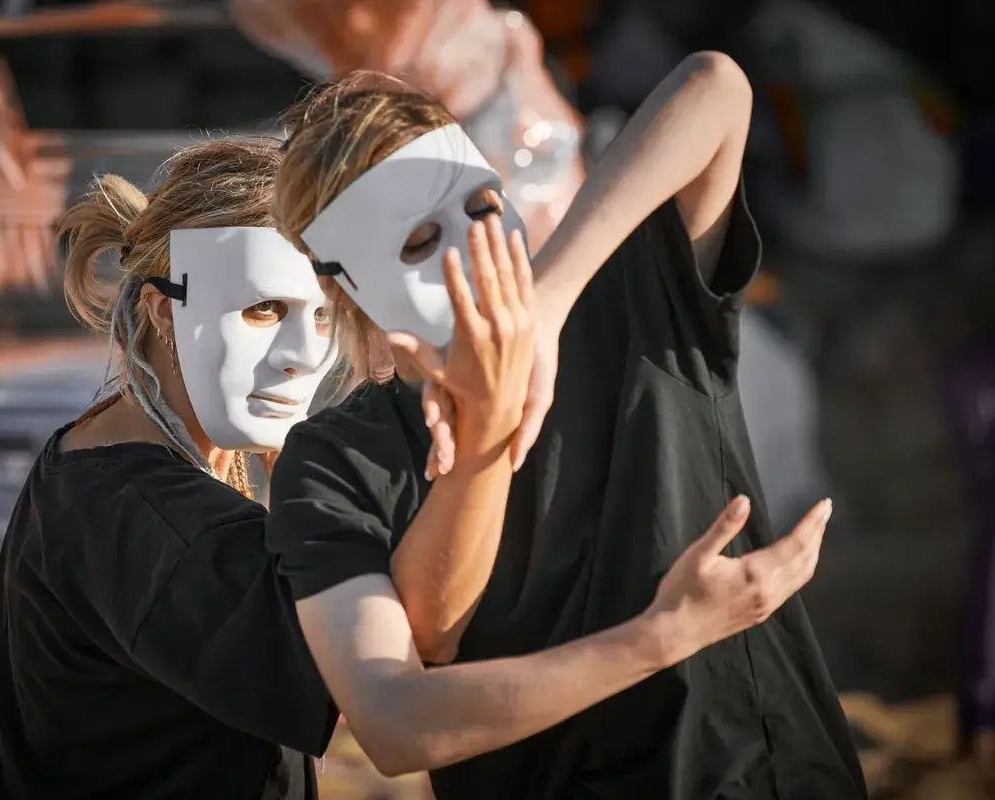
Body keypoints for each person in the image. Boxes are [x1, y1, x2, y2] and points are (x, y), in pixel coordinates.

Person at [0, 135, 831, 800]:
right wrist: (658, 632)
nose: (298, 358)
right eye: (265, 310)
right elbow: (389, 683)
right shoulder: (144, 518)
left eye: (322, 312)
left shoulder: (114, 456)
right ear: (163, 313)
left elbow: (715, 88)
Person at [264, 53, 866, 798]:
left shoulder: (632, 303)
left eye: (484, 209)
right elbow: (398, 713)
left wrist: (545, 308)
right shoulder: (333, 461)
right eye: (419, 244)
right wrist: (660, 637)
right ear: (346, 284)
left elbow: (716, 87)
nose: (473, 253)